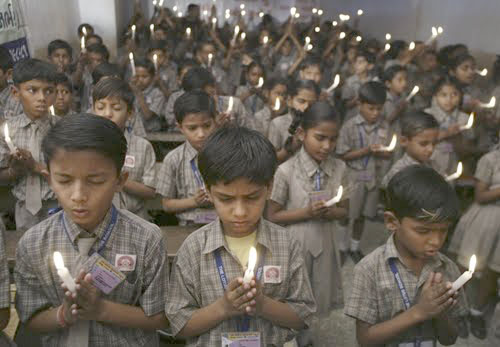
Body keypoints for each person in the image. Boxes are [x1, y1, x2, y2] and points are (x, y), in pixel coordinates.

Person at [14, 114, 169, 346]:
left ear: (120, 180)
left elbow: (160, 317)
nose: (78, 196)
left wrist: (101, 310)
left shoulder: (146, 239)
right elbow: (31, 316)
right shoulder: (33, 243)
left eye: (95, 181)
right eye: (64, 181)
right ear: (49, 179)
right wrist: (63, 314)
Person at [165, 126, 316, 346]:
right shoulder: (194, 248)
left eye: (252, 197)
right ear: (208, 191)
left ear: (269, 187)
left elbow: (304, 316)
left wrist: (263, 305)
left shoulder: (286, 244)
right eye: (226, 199)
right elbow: (179, 326)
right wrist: (223, 308)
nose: (240, 212)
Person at [345, 165, 468, 346]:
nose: (435, 241)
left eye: (443, 231)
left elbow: (449, 339)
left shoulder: (448, 268)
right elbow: (365, 339)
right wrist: (419, 312)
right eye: (423, 230)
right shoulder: (369, 270)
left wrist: (440, 310)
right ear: (392, 222)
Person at [267, 102, 349, 346]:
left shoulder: (339, 168)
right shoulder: (285, 171)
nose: (327, 146)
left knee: (316, 292)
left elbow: (345, 211)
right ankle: (290, 337)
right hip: (294, 243)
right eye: (320, 138)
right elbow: (272, 216)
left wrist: (331, 211)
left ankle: (304, 337)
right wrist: (306, 212)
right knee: (292, 295)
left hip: (324, 239)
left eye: (333, 140)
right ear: (302, 134)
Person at [0, 59, 59, 232]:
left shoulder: (63, 129)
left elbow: (72, 173)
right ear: (15, 93)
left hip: (59, 205)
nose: (41, 98)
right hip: (24, 208)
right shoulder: (6, 131)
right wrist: (14, 171)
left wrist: (36, 166)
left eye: (48, 91)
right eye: (32, 90)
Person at [449, 141, 500, 339]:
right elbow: (480, 195)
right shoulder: (491, 159)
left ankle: (476, 311)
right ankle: (457, 311)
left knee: (494, 270)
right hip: (487, 218)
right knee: (466, 265)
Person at [336, 81, 392, 263]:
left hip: (372, 178)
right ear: (359, 104)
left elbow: (387, 153)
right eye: (371, 108)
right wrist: (367, 151)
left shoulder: (384, 127)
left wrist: (384, 153)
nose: (375, 113)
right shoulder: (349, 126)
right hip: (353, 177)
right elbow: (342, 154)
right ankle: (342, 247)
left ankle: (354, 247)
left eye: (379, 109)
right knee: (347, 214)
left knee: (361, 216)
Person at [92, 77, 156, 219]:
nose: (108, 114)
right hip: (96, 218)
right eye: (101, 107)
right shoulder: (86, 146)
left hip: (135, 217)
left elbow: (150, 191)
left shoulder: (142, 146)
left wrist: (117, 178)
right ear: (93, 110)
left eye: (116, 108)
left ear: (130, 113)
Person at [156, 90, 217, 226]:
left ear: (215, 121)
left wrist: (219, 197)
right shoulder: (173, 159)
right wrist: (194, 201)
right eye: (192, 128)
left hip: (222, 223)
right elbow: (167, 205)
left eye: (207, 125)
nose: (201, 134)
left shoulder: (226, 155)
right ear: (180, 128)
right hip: (187, 226)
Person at [425, 76, 473, 176]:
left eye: (454, 94)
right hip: (430, 164)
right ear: (435, 96)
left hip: (454, 166)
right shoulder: (427, 115)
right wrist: (447, 133)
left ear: (461, 96)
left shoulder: (464, 118)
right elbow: (422, 140)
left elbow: (468, 147)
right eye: (443, 95)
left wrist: (459, 140)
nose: (449, 99)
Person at [381, 111, 440, 188]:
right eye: (423, 144)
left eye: (434, 143)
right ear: (404, 141)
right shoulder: (399, 173)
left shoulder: (432, 165)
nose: (430, 149)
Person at [268, 79, 319, 163]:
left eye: (312, 104)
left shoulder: (318, 124)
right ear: (289, 101)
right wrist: (291, 147)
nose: (306, 106)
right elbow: (270, 160)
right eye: (301, 101)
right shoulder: (278, 124)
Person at [130, 58, 166, 133]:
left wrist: (138, 93)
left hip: (151, 132)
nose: (140, 80)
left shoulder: (157, 94)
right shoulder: (130, 91)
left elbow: (148, 116)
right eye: (137, 76)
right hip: (134, 131)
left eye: (144, 76)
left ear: (153, 77)